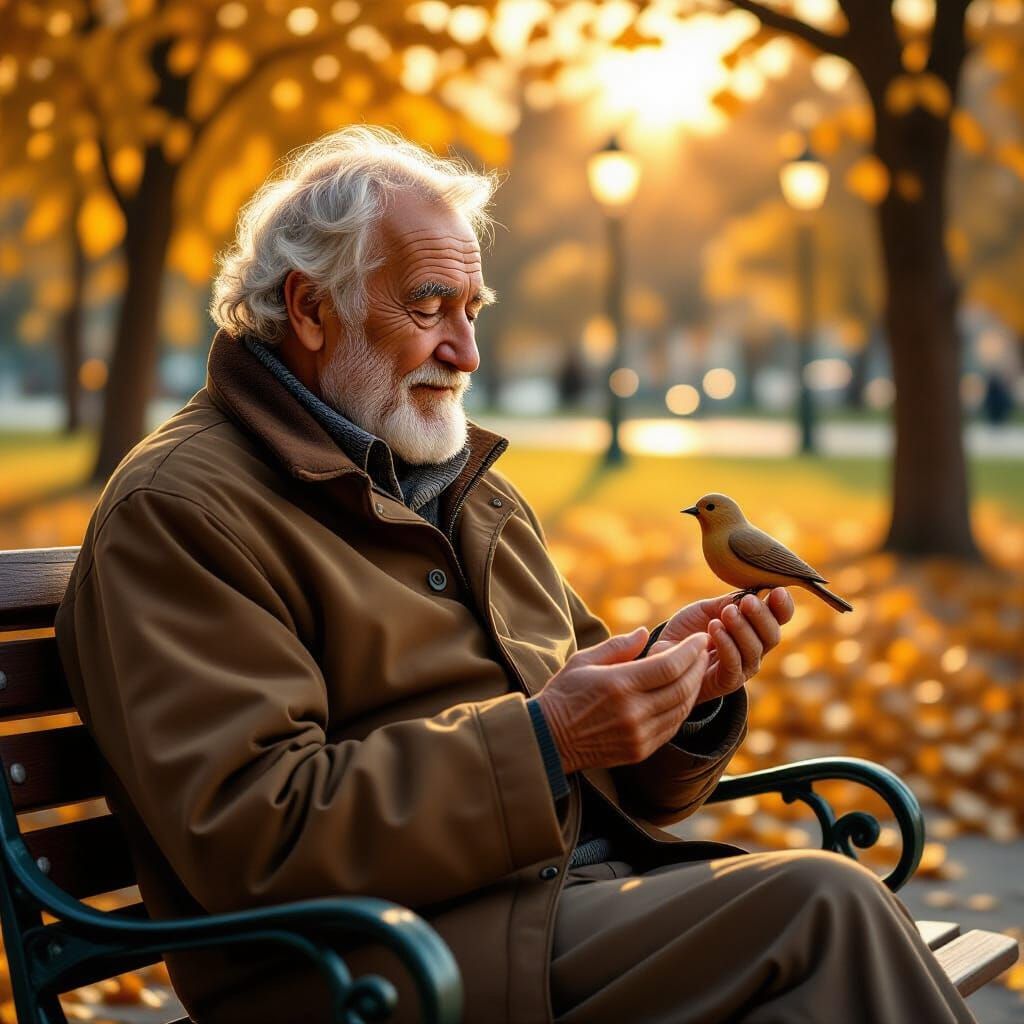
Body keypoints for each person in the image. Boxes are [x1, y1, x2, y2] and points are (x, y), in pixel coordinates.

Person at [55, 127, 975, 1024]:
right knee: (826, 910)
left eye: (473, 310)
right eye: (428, 306)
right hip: (370, 966)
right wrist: (549, 738)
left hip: (550, 908)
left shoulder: (463, 493)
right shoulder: (180, 512)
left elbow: (601, 742)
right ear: (309, 309)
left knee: (826, 937)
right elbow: (257, 833)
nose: (468, 352)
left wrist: (674, 692)